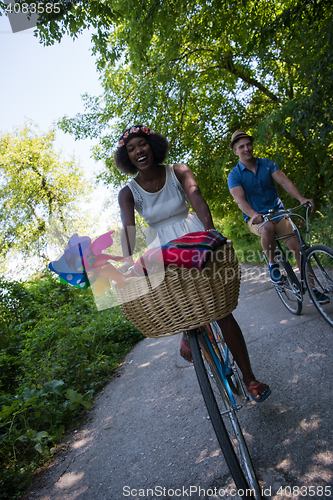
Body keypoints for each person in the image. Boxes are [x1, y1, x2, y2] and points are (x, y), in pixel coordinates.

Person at [115, 124, 270, 402]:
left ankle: (250, 378)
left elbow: (196, 197)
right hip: (162, 248)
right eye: (131, 148)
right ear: (127, 157)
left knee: (221, 310)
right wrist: (125, 262)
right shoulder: (128, 192)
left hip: (193, 236)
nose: (138, 150)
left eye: (143, 144)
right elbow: (129, 229)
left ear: (153, 145)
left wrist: (209, 232)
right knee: (178, 298)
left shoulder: (178, 171)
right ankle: (189, 330)